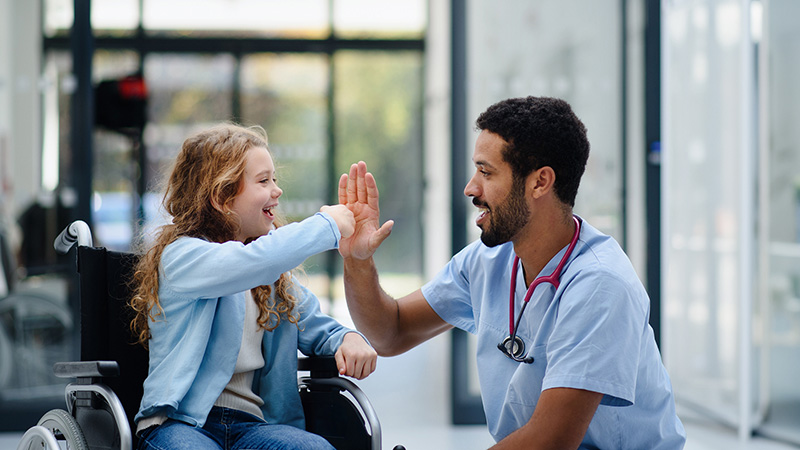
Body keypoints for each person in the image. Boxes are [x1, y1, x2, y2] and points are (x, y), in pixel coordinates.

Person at [338, 97, 686, 449]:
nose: (471, 188)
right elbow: (391, 332)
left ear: (540, 182)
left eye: (486, 172)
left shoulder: (600, 284)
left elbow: (551, 441)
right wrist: (358, 260)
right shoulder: (489, 260)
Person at [129, 123, 377, 450]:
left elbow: (316, 325)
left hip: (252, 427)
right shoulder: (183, 257)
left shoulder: (271, 279)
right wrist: (327, 225)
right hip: (182, 424)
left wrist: (348, 337)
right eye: (263, 181)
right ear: (221, 196)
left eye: (275, 179)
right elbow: (250, 263)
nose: (277, 190)